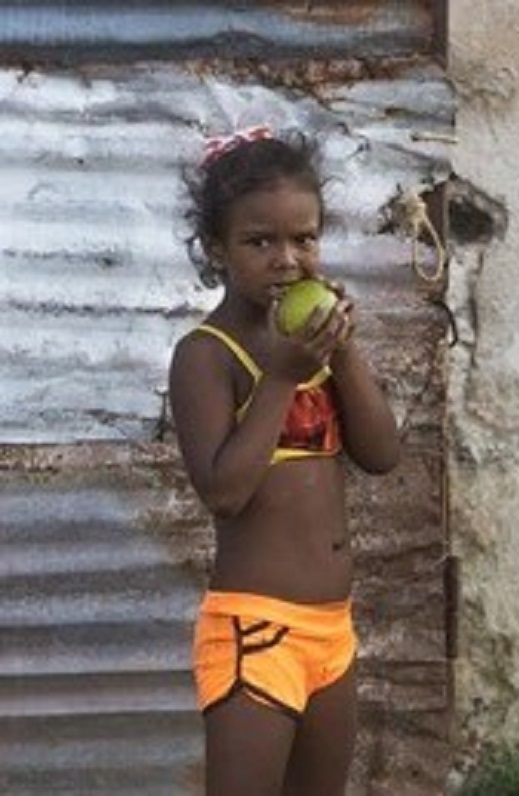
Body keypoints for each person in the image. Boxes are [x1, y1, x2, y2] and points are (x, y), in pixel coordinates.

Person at [169, 126, 401, 796]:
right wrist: (279, 378)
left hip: (333, 633)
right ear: (218, 250)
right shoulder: (207, 355)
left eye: (304, 239)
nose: (287, 259)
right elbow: (224, 491)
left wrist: (345, 352)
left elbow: (381, 454)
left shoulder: (315, 347)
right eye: (259, 241)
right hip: (254, 632)